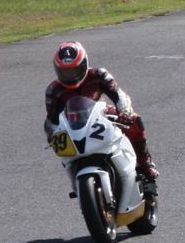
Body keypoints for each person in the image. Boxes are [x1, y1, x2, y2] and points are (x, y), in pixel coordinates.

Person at [44, 41, 158, 181]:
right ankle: (75, 174)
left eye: (74, 70)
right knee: (63, 151)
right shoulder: (53, 90)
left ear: (84, 64)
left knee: (134, 120)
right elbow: (51, 120)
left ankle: (145, 163)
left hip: (99, 113)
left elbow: (119, 95)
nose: (70, 76)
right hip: (73, 123)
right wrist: (52, 134)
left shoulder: (98, 74)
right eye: (65, 72)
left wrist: (125, 111)